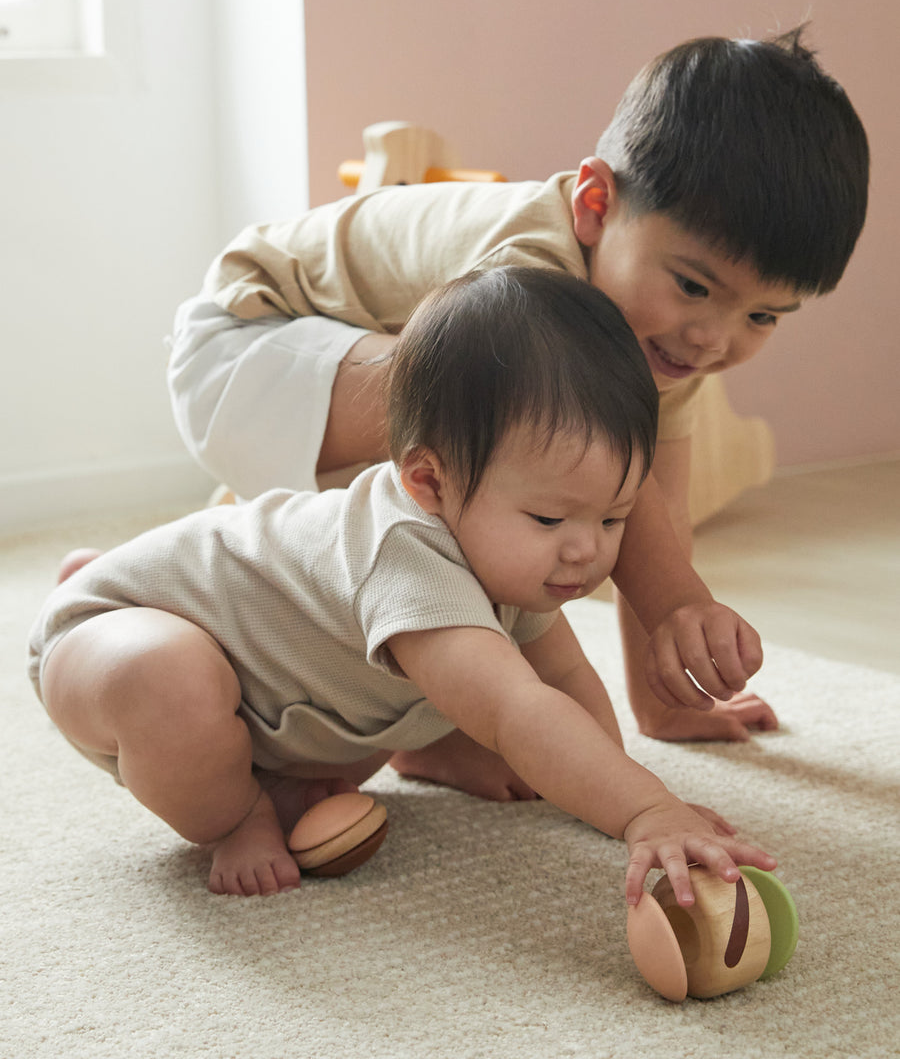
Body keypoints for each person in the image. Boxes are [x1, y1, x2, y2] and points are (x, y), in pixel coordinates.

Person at [165, 27, 868, 771]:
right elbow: (594, 502)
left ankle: (411, 723)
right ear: (596, 204)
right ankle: (446, 723)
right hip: (244, 349)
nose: (712, 340)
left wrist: (665, 694)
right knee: (496, 448)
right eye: (694, 286)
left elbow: (653, 498)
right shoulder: (534, 265)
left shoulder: (665, 335)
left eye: (762, 316)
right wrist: (678, 600)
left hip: (325, 410)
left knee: (508, 494)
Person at [29, 268, 776, 900]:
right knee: (171, 682)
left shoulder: (513, 553)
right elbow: (520, 712)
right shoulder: (406, 551)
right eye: (550, 517)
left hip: (276, 701)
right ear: (428, 481)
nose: (586, 551)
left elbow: (566, 682)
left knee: (440, 700)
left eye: (613, 518)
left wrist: (622, 790)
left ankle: (313, 772)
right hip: (119, 627)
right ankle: (236, 813)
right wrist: (645, 814)